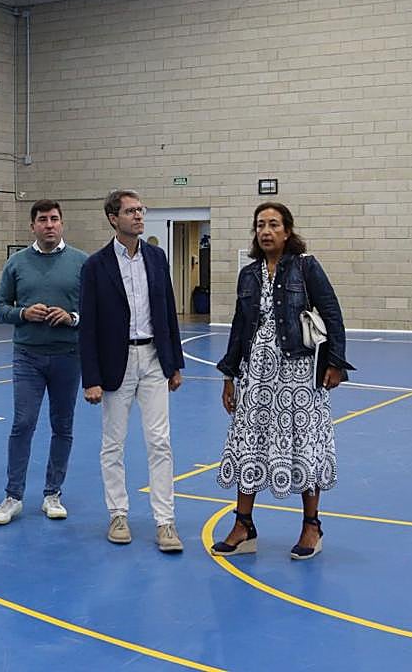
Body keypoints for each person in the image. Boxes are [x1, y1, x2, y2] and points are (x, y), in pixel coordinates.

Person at [213, 201, 355, 560]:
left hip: (299, 373)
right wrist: (230, 375)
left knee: (302, 441)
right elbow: (238, 326)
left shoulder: (306, 267)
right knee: (250, 441)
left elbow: (332, 313)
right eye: (260, 225)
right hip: (256, 374)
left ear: (287, 231)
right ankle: (243, 525)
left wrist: (336, 362)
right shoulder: (249, 274)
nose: (266, 231)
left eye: (274, 224)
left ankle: (312, 527)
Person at [80, 190, 185, 552]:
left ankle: (165, 521)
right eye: (131, 211)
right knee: (113, 442)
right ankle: (118, 514)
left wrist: (175, 363)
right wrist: (90, 378)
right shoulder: (95, 266)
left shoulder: (156, 258)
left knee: (160, 441)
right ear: (113, 218)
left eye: (141, 210)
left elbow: (168, 311)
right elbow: (88, 326)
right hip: (116, 362)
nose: (139, 216)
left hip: (154, 358)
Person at [0, 200, 87, 525]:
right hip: (27, 357)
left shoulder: (80, 263)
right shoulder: (17, 263)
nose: (49, 225)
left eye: (54, 219)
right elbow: (0, 306)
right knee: (23, 423)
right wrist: (23, 314)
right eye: (42, 220)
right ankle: (13, 496)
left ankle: (52, 494)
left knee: (63, 427)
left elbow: (94, 311)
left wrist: (72, 317)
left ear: (62, 223)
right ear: (33, 226)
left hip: (68, 358)